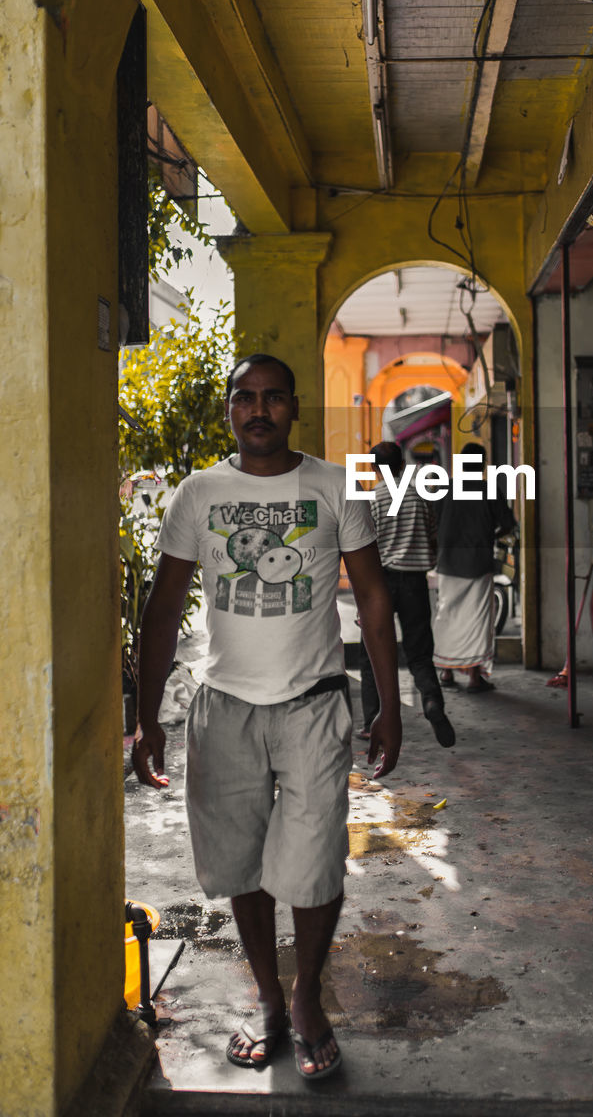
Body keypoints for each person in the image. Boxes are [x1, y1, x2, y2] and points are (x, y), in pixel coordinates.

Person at [131, 353, 401, 1081]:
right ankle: (267, 998)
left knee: (313, 866)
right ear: (229, 410)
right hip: (223, 708)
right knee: (241, 865)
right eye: (244, 398)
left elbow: (373, 598)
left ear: (293, 408)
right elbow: (162, 609)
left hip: (313, 703)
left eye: (272, 398)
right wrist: (147, 714)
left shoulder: (333, 487)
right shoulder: (199, 494)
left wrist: (388, 705)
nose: (258, 411)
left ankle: (308, 1000)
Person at [357, 441, 455, 749]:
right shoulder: (419, 495)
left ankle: (371, 719)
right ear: (402, 464)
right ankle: (431, 701)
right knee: (419, 651)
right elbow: (432, 534)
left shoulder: (372, 498)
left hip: (381, 583)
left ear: (374, 469)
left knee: (371, 651)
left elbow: (365, 547)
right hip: (414, 581)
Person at [432, 442, 515, 691]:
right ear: (482, 464)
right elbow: (508, 524)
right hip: (478, 564)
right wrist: (491, 532)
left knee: (447, 615)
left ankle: (446, 671)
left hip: (447, 563)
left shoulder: (444, 488)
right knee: (478, 620)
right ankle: (474, 677)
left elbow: (432, 522)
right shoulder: (489, 490)